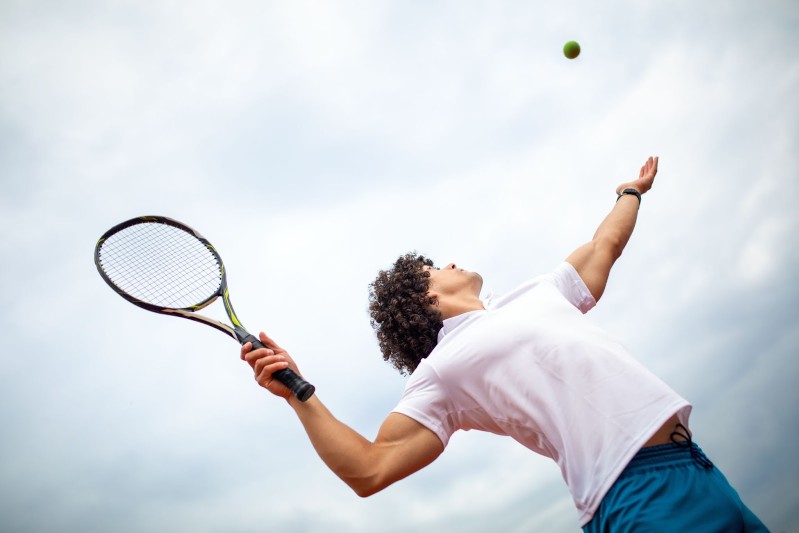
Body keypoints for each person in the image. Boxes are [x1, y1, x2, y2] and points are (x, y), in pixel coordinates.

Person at [241, 156, 767, 531]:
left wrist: (629, 192)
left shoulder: (538, 293)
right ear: (423, 300)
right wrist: (300, 394)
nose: (448, 263)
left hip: (698, 467)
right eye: (433, 268)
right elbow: (370, 468)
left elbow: (605, 243)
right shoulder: (443, 371)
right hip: (637, 496)